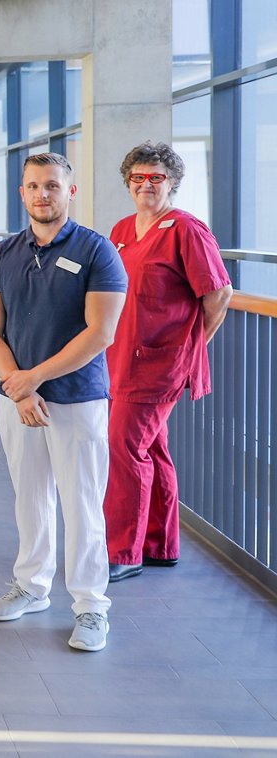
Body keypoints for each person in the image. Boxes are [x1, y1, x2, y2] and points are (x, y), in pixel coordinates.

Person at [0, 152, 127, 653]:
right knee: (30, 498)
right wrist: (14, 385)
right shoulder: (2, 255)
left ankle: (90, 607)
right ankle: (33, 586)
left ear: (71, 191)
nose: (43, 194)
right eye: (33, 186)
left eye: (52, 186)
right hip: (18, 401)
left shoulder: (98, 251)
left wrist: (32, 380)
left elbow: (100, 332)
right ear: (22, 193)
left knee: (82, 504)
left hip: (76, 400)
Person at [104, 142, 231, 582]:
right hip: (122, 357)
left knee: (124, 449)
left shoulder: (186, 230)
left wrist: (191, 345)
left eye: (156, 177)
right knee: (151, 449)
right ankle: (160, 545)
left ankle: (124, 550)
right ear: (128, 183)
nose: (146, 185)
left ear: (172, 181)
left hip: (159, 363)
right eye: (138, 177)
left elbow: (218, 294)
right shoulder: (122, 228)